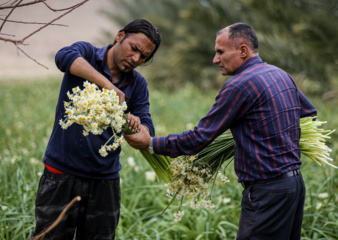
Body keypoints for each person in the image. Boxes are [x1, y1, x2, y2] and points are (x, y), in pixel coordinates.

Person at [124, 22, 317, 240]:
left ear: (243, 50)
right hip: (294, 187)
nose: (215, 59)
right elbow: (310, 115)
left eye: (220, 52)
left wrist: (150, 143)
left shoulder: (239, 85)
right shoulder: (280, 75)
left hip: (268, 193)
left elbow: (200, 138)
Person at [32, 19, 161, 240]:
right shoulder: (87, 53)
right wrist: (109, 87)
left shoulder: (138, 85)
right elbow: (63, 56)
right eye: (134, 49)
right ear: (120, 36)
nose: (136, 59)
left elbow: (147, 131)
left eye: (144, 57)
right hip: (60, 175)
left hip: (105, 182)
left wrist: (135, 126)